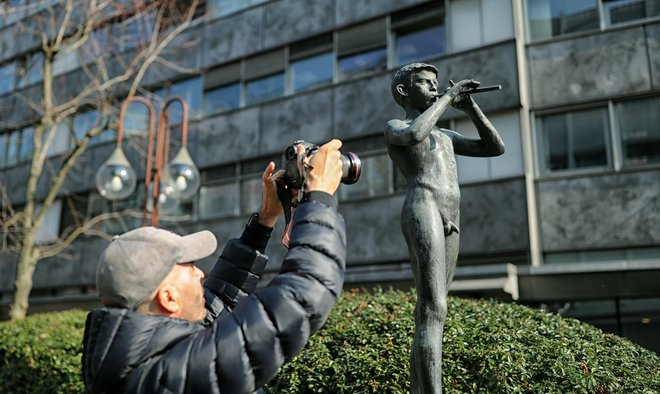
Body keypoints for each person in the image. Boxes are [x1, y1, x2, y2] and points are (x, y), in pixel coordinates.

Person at [82, 140, 346, 394]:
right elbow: (304, 294)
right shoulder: (175, 374)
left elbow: (216, 306)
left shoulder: (136, 358)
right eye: (188, 266)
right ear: (168, 298)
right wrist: (319, 197)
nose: (200, 273)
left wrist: (265, 221)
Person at [384, 63, 505, 394]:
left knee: (434, 310)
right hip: (424, 207)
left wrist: (470, 107)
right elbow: (412, 135)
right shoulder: (397, 125)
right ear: (404, 92)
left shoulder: (445, 135)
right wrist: (449, 96)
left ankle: (418, 388)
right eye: (425, 84)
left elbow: (494, 147)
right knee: (433, 307)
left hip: (453, 215)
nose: (434, 88)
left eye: (437, 84)